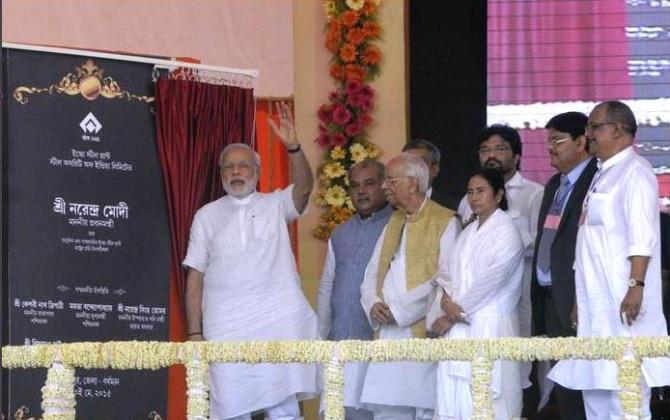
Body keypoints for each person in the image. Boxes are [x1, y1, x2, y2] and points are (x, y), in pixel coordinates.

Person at [182, 102, 318, 420]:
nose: (236, 172)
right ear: (221, 175)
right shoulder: (207, 216)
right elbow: (195, 278)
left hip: (277, 321)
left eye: (243, 166)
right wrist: (194, 334)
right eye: (228, 167)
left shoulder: (275, 204)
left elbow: (305, 188)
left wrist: (293, 148)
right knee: (229, 409)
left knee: (282, 409)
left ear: (257, 172)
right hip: (225, 326)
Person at [548, 101, 670, 419]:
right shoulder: (601, 175)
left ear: (616, 130)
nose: (588, 135)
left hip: (622, 305)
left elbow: (642, 237)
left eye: (594, 127)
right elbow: (586, 246)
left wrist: (636, 285)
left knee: (625, 398)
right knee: (596, 396)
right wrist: (579, 300)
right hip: (595, 309)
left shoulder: (636, 172)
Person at [360, 152, 457, 420]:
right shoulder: (394, 220)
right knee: (387, 412)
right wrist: (373, 304)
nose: (383, 186)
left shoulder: (445, 220)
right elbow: (372, 273)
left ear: (412, 184)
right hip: (386, 334)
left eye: (391, 181)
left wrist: (399, 310)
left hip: (420, 331)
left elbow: (443, 280)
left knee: (426, 410)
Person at [427, 168, 525, 419]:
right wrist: (447, 300)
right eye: (470, 192)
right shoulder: (468, 232)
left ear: (498, 194)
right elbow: (446, 271)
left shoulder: (507, 231)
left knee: (494, 402)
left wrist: (451, 314)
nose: (473, 197)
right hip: (459, 328)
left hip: (491, 324)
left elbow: (491, 280)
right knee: (456, 399)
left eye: (481, 191)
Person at [457, 124, 543, 388]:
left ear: (517, 156)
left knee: (512, 370)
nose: (491, 155)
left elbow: (538, 244)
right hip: (471, 299)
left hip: (517, 294)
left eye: (499, 148)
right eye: (485, 150)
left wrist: (501, 241)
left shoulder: (533, 194)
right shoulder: (467, 200)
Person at [531, 112, 596, 419]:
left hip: (577, 300)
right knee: (564, 388)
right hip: (550, 296)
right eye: (549, 141)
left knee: (588, 387)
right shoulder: (555, 183)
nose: (550, 148)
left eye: (557, 140)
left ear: (582, 141)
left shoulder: (597, 178)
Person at [316, 159, 393, 420]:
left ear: (385, 185)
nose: (361, 191)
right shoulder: (340, 233)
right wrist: (322, 335)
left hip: (382, 342)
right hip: (341, 341)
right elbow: (327, 285)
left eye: (369, 184)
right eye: (355, 185)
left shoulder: (398, 226)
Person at [403, 139, 460, 210]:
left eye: (420, 163)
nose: (413, 169)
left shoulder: (452, 207)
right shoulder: (394, 208)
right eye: (408, 163)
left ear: (434, 169)